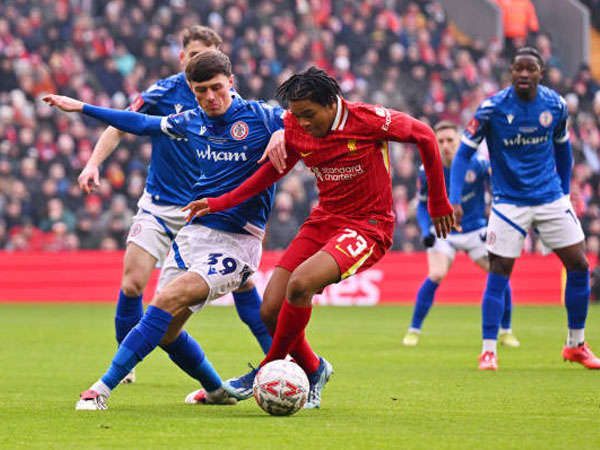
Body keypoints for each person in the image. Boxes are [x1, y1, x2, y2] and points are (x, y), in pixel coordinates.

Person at [183, 67, 455, 408]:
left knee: (301, 285)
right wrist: (219, 202)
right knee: (270, 310)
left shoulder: (368, 119)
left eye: (309, 115)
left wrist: (439, 201)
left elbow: (426, 135)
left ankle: (267, 369)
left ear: (332, 103)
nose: (302, 124)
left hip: (368, 226)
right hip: (324, 221)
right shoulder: (296, 126)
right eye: (296, 116)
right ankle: (314, 368)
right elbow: (271, 172)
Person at [43, 51, 285, 409]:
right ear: (192, 88)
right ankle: (217, 390)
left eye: (217, 88)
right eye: (201, 90)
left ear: (231, 83)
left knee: (163, 301)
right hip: (193, 234)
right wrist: (82, 108)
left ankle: (103, 387)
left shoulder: (264, 117)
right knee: (168, 331)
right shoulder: (189, 121)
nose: (210, 97)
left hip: (238, 242)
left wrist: (282, 131)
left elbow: (305, 122)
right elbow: (140, 124)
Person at [450, 47, 600, 370]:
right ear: (510, 72)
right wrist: (453, 199)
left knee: (579, 265)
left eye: (530, 69)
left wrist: (562, 189)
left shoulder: (556, 105)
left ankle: (576, 344)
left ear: (541, 73)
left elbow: (563, 151)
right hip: (508, 203)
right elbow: (462, 154)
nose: (524, 74)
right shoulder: (491, 108)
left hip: (550, 198)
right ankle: (488, 350)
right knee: (499, 271)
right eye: (518, 68)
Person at [402, 121, 519, 347]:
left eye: (450, 140)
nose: (445, 146)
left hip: (476, 230)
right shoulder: (426, 170)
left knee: (499, 272)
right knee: (436, 274)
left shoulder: (478, 164)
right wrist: (426, 231)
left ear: (459, 142)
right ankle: (413, 330)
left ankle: (506, 330)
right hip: (444, 230)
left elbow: (498, 191)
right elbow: (421, 205)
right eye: (441, 141)